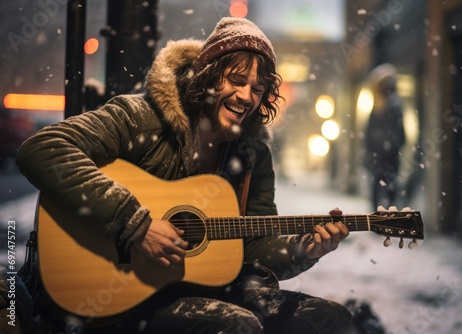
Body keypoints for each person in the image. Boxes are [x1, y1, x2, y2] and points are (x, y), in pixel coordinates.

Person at [16, 17, 354, 333]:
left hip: (206, 285)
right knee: (237, 326)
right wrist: (136, 224)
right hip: (120, 289)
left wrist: (303, 249)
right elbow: (43, 148)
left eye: (258, 88)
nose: (245, 96)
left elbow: (251, 247)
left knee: (330, 320)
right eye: (236, 80)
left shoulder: (252, 154)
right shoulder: (140, 118)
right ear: (207, 76)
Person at [364, 63, 406, 211]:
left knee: (383, 189)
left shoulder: (388, 106)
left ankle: (382, 219)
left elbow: (398, 135)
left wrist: (379, 150)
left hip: (384, 157)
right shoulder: (385, 105)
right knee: (387, 189)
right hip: (385, 157)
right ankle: (385, 219)